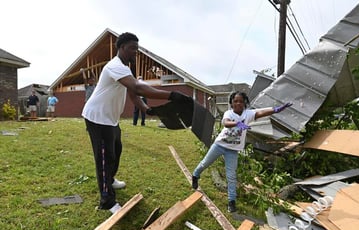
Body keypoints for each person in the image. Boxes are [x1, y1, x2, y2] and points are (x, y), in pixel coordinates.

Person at [82, 32, 189, 213]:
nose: (135, 52)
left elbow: (133, 93)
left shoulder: (125, 70)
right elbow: (138, 87)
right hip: (97, 118)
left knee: (116, 150)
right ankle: (107, 200)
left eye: (137, 49)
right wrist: (172, 95)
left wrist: (146, 110)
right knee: (104, 158)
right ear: (121, 48)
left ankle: (110, 179)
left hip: (110, 119)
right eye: (132, 48)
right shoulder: (115, 66)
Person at [191, 91, 292, 213]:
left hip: (232, 150)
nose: (238, 103)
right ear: (232, 103)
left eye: (241, 101)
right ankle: (195, 175)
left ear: (244, 103)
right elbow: (226, 123)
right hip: (220, 145)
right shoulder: (229, 113)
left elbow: (261, 112)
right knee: (205, 163)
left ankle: (231, 201)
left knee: (231, 176)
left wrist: (276, 110)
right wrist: (237, 123)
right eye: (235, 101)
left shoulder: (248, 114)